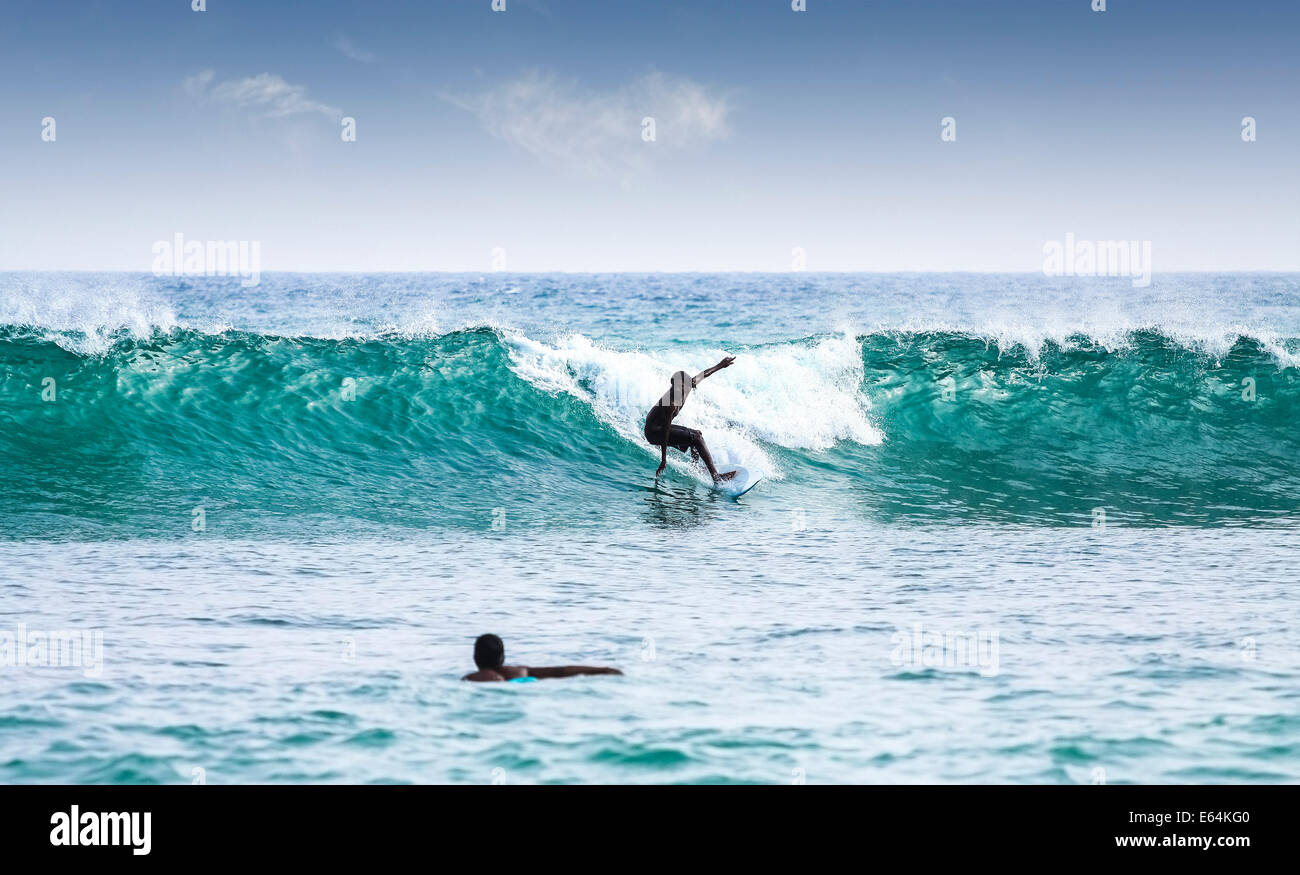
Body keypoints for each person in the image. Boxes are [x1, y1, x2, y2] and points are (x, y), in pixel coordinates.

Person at [644, 357, 737, 483]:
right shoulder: (670, 403)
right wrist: (663, 460)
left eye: (682, 386)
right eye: (676, 387)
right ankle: (717, 478)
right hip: (654, 432)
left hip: (660, 427)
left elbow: (705, 374)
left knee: (697, 434)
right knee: (696, 438)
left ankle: (695, 468)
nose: (679, 390)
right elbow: (665, 432)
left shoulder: (689, 385)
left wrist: (721, 365)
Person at [462, 634, 623, 682]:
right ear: (503, 657)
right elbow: (561, 671)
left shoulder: (470, 679)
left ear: (476, 657)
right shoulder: (522, 671)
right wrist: (603, 670)